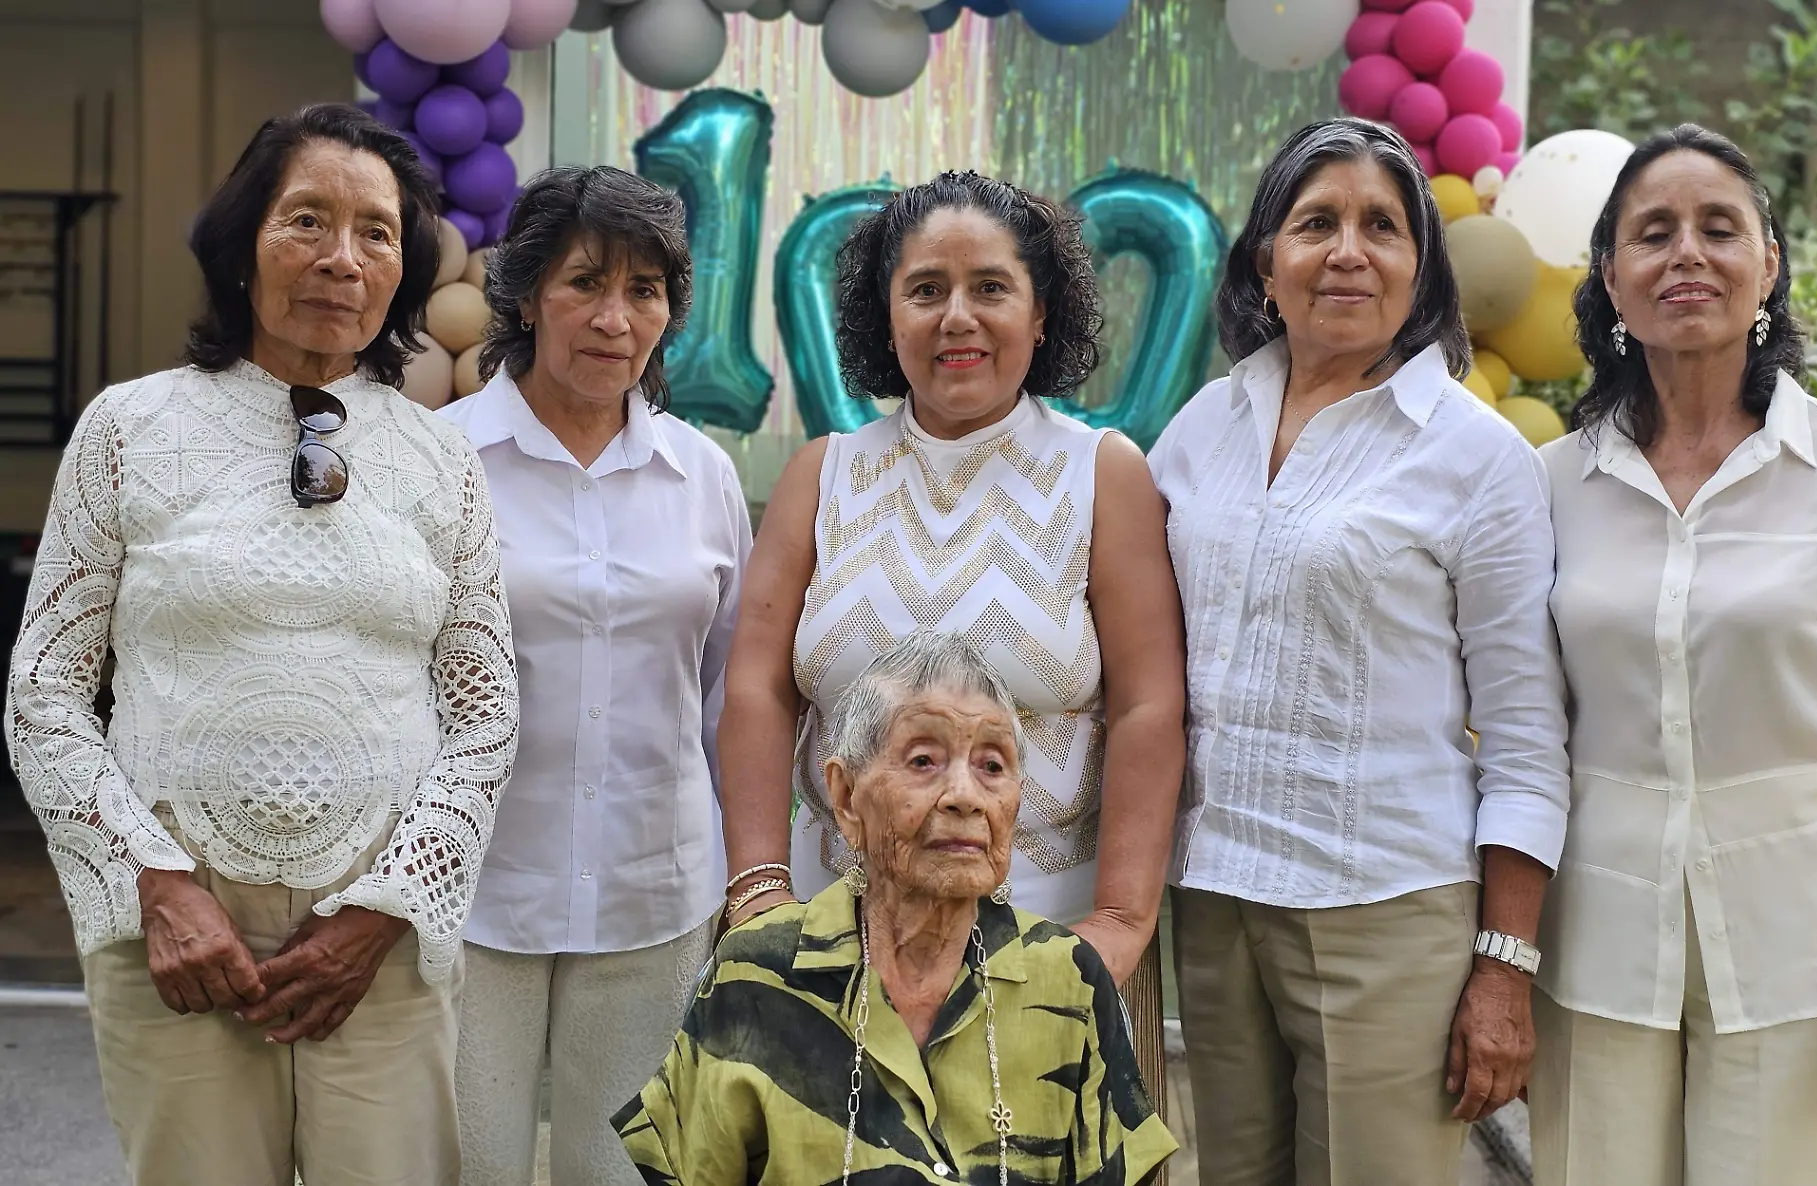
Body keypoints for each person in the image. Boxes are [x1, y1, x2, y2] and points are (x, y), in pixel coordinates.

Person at [3, 103, 518, 1186]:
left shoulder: (442, 462)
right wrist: (157, 885)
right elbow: (44, 688)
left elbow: (484, 710)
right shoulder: (130, 430)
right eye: (306, 220)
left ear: (405, 271)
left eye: (376, 232)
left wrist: (386, 908)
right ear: (242, 244)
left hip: (375, 943)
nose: (341, 257)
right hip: (176, 943)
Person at [1146, 115, 1570, 1186]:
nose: (1347, 250)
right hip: (1213, 896)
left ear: (1420, 266)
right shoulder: (1200, 427)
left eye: (1382, 225)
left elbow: (1526, 737)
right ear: (1264, 263)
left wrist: (1504, 967)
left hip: (1387, 909)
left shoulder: (1477, 459)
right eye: (1315, 222)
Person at [714, 170, 1188, 1112]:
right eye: (926, 289)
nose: (957, 317)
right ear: (885, 319)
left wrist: (1123, 923)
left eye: (991, 288)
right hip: (831, 936)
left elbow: (1150, 706)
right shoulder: (825, 474)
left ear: (1042, 314)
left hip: (1044, 942)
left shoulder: (1101, 473)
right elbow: (758, 691)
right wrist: (760, 894)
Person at [1529, 123, 1817, 1186]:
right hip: (1597, 943)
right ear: (1610, 277)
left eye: (1718, 227)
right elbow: (1522, 727)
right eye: (1653, 232)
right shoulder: (1550, 485)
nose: (1685, 253)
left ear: (1767, 264)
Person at [441, 165, 752, 1186]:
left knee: (622, 1173)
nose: (615, 317)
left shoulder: (702, 476)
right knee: (464, 1165)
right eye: (585, 283)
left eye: (645, 290)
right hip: (473, 889)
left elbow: (720, 691)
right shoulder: (444, 463)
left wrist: (742, 875)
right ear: (527, 295)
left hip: (650, 889)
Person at [616, 630, 1177, 1184]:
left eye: (992, 766)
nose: (964, 794)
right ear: (845, 797)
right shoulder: (758, 976)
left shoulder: (1067, 979)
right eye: (924, 760)